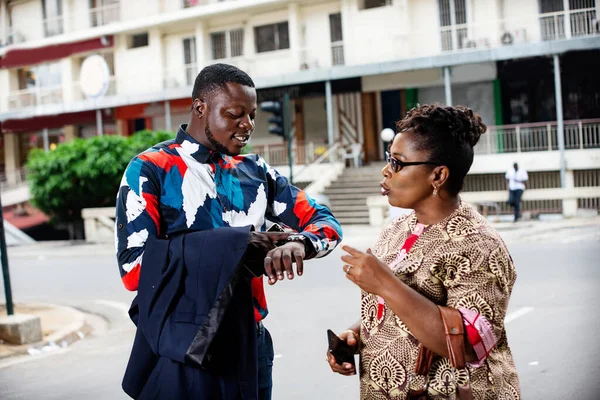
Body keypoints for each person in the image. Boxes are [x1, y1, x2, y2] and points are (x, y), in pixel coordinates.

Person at [116, 63, 343, 399]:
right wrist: (238, 246)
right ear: (200, 108)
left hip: (252, 342)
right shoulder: (151, 169)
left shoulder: (255, 171)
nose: (247, 125)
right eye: (235, 114)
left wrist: (299, 243)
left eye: (251, 115)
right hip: (185, 346)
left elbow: (326, 222)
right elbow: (134, 270)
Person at [327, 104, 520, 399]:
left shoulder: (479, 244)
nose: (386, 170)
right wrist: (357, 334)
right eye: (389, 159)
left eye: (398, 163)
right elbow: (399, 311)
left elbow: (470, 346)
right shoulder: (397, 229)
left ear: (438, 175)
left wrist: (385, 283)